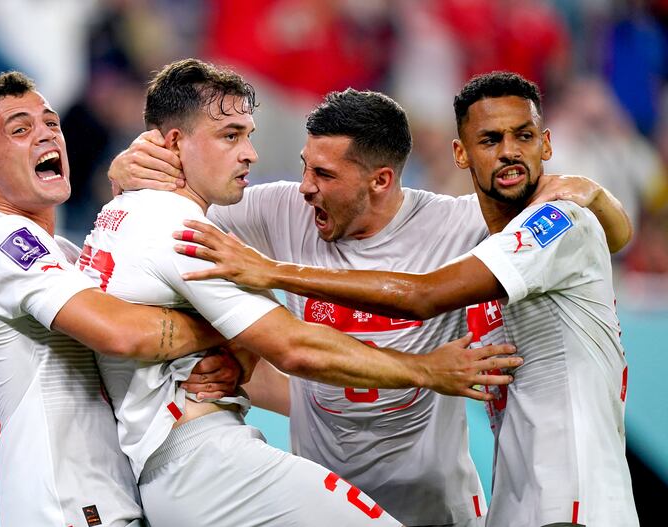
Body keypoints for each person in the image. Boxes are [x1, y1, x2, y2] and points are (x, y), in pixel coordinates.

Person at [116, 86, 632, 526]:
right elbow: (161, 237)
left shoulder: (460, 227)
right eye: (305, 168)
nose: (306, 187)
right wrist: (127, 172)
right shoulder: (278, 210)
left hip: (438, 508)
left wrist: (592, 194)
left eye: (325, 174)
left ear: (380, 181)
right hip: (322, 500)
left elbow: (589, 238)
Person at [0, 71, 242, 527]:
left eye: (51, 123)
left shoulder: (65, 256)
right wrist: (229, 326)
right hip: (65, 509)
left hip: (107, 504)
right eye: (21, 129)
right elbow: (121, 334)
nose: (46, 133)